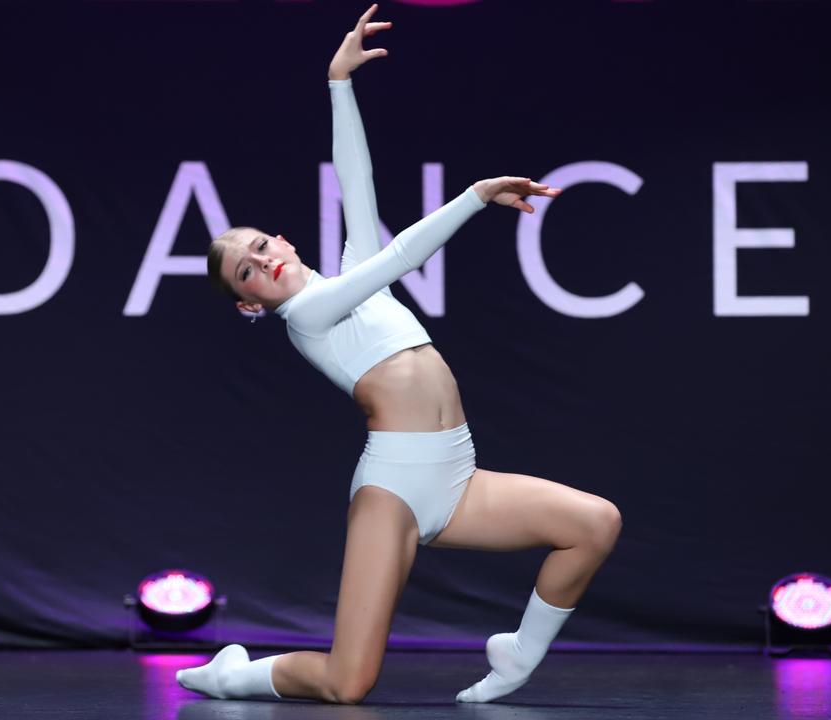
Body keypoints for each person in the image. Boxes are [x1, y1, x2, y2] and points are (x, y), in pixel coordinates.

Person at [178, 4, 622, 705]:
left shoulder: (342, 275)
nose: (262, 263)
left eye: (262, 245)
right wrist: (474, 197)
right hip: (393, 493)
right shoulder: (307, 317)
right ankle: (235, 673)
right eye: (246, 272)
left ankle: (518, 654)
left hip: (460, 474)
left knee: (595, 523)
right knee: (347, 683)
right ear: (249, 304)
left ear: (285, 241)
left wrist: (338, 85)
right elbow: (395, 256)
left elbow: (358, 184)